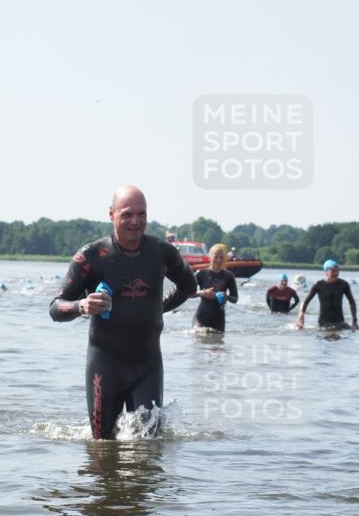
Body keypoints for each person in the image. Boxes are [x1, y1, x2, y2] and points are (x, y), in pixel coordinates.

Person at [49, 185, 197, 439]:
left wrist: (158, 309)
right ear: (112, 214)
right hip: (104, 366)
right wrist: (81, 306)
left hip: (147, 365)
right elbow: (55, 307)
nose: (135, 221)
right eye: (127, 214)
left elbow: (189, 286)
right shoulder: (92, 256)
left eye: (142, 214)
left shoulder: (161, 253)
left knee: (148, 445)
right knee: (102, 447)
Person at [296, 259, 358, 330]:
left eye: (337, 271)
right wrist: (301, 314)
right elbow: (306, 301)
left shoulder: (344, 284)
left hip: (340, 322)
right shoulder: (318, 285)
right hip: (323, 324)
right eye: (333, 271)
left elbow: (352, 302)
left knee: (355, 331)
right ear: (326, 272)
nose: (336, 273)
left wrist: (354, 320)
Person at [193, 243, 238, 331]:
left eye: (221, 257)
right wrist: (202, 293)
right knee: (199, 343)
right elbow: (187, 292)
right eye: (216, 257)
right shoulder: (201, 274)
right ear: (210, 257)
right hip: (201, 317)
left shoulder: (229, 276)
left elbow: (235, 298)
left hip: (219, 319)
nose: (219, 260)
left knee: (218, 344)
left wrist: (226, 297)